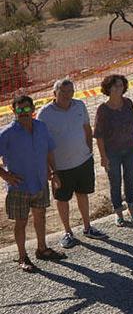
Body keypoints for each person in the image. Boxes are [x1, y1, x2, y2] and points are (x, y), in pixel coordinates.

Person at [37, 79, 108, 249]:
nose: (67, 95)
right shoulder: (44, 113)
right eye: (63, 91)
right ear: (54, 93)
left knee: (83, 194)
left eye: (70, 91)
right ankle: (68, 232)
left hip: (83, 161)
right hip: (60, 167)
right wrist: (48, 168)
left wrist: (89, 151)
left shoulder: (79, 105)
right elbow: (41, 143)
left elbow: (87, 128)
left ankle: (87, 227)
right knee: (62, 199)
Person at [1, 95, 67, 272]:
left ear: (32, 109)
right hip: (19, 188)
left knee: (40, 217)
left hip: (39, 184)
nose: (23, 113)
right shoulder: (6, 134)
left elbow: (48, 151)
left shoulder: (41, 127)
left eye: (26, 109)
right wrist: (6, 176)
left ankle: (42, 249)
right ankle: (23, 257)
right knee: (21, 223)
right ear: (13, 111)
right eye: (19, 110)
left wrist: (54, 172)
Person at [94, 74, 133, 226]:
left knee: (130, 180)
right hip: (112, 152)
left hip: (131, 149)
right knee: (115, 182)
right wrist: (103, 156)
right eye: (114, 86)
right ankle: (118, 213)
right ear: (108, 88)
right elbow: (99, 135)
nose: (118, 88)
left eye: (120, 85)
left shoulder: (128, 103)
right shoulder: (103, 110)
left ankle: (132, 209)